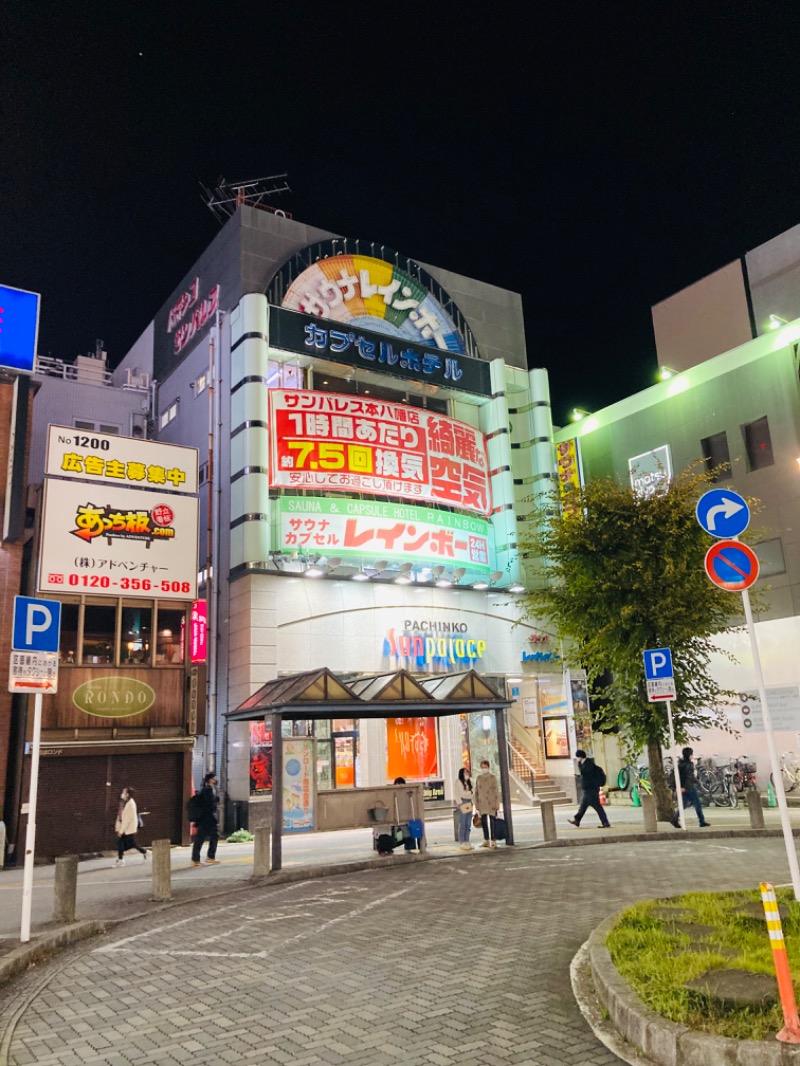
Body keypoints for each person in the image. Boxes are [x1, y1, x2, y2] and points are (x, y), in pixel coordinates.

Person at [568, 750, 611, 829]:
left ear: (580, 757)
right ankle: (577, 820)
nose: (577, 759)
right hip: (589, 789)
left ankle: (605, 822)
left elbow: (584, 772)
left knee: (596, 806)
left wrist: (579, 763)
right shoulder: (585, 763)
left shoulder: (588, 763)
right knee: (583, 805)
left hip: (591, 789)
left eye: (578, 757)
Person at [672, 747, 710, 828]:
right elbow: (689, 777)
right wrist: (687, 786)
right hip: (688, 787)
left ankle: (675, 818)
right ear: (689, 755)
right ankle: (702, 821)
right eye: (691, 754)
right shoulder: (689, 764)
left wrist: (679, 786)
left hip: (683, 787)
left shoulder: (680, 764)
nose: (692, 756)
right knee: (697, 804)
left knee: (684, 804)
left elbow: (683, 776)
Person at [191, 771, 221, 866]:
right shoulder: (207, 791)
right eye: (214, 778)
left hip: (207, 818)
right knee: (201, 838)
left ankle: (207, 857)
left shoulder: (210, 789)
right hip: (207, 819)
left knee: (211, 836)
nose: (215, 780)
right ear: (210, 780)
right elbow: (207, 806)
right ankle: (199, 859)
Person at [114, 787, 147, 866]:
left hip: (128, 828)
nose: (122, 794)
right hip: (126, 828)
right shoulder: (124, 802)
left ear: (127, 794)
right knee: (127, 843)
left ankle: (121, 859)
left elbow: (127, 820)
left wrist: (121, 831)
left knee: (123, 843)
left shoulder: (130, 805)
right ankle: (143, 852)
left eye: (124, 792)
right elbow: (120, 816)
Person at [474, 759, 501, 848]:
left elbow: (496, 791)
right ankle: (486, 839)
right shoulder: (479, 778)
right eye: (482, 767)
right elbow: (476, 791)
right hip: (482, 803)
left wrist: (497, 803)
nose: (483, 769)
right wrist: (476, 803)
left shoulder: (493, 777)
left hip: (491, 802)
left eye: (485, 767)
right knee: (484, 822)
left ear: (488, 767)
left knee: (493, 821)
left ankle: (493, 840)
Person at [456, 767, 474, 851]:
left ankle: (467, 840)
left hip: (469, 802)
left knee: (468, 823)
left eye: (467, 772)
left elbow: (472, 794)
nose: (467, 773)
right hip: (463, 802)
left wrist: (470, 794)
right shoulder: (458, 782)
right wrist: (470, 793)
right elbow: (462, 794)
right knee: (463, 823)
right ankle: (462, 841)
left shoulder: (470, 782)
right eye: (465, 772)